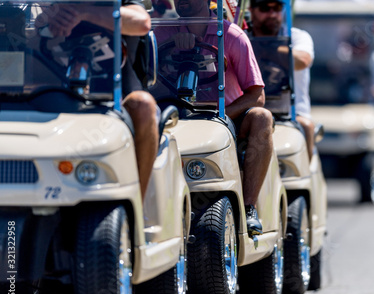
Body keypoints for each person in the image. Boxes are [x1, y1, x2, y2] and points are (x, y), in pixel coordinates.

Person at [155, 0, 275, 236]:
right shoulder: (161, 32)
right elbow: (147, 85)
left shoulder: (232, 36)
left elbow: (257, 95)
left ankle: (249, 207)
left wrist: (223, 114)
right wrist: (173, 53)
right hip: (175, 114)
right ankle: (150, 207)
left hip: (224, 115)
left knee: (262, 118)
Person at [36, 1, 159, 201]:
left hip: (121, 99)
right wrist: (46, 19)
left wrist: (82, 13)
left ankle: (137, 208)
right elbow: (27, 34)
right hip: (59, 96)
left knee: (144, 106)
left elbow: (142, 22)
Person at [249, 0, 316, 161]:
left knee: (306, 126)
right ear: (251, 10)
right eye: (265, 8)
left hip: (293, 114)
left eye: (277, 8)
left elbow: (302, 61)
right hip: (253, 110)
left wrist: (265, 49)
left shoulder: (298, 36)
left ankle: (301, 180)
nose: (272, 14)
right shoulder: (243, 37)